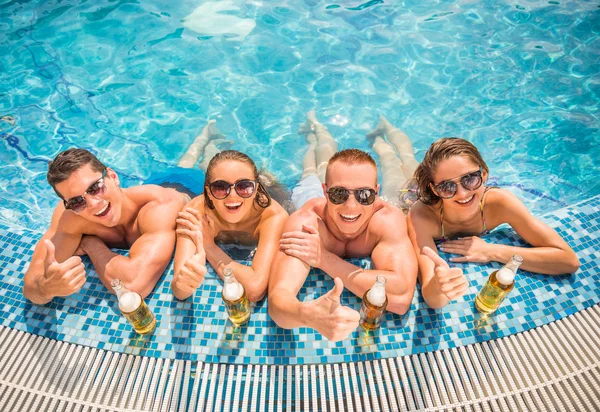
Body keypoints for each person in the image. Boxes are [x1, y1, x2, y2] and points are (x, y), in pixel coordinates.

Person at [269, 112, 418, 342]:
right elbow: (278, 302)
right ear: (326, 191)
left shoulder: (387, 219)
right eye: (339, 193)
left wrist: (324, 259)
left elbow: (400, 298)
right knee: (310, 170)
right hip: (310, 197)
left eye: (364, 194)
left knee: (394, 167)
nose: (351, 206)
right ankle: (316, 130)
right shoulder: (307, 224)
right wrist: (306, 315)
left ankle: (381, 135)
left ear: (376, 193)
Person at [407, 138, 581, 309]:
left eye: (470, 179)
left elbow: (569, 261)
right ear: (434, 189)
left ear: (484, 174)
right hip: (408, 197)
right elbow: (433, 299)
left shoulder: (500, 203)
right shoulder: (422, 217)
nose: (462, 193)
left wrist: (492, 251)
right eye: (447, 186)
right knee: (400, 162)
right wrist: (438, 286)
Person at [23, 149, 188, 304]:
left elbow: (133, 287)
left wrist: (91, 244)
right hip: (155, 181)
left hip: (190, 186)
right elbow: (31, 284)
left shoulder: (160, 206)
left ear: (113, 176)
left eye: (95, 187)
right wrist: (46, 289)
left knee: (188, 164)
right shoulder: (71, 217)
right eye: (76, 201)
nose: (93, 204)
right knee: (183, 162)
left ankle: (203, 138)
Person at [172, 149, 289, 301]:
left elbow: (254, 289)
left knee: (279, 184)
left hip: (271, 193)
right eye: (220, 187)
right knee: (183, 170)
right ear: (208, 192)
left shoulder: (273, 216)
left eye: (244, 186)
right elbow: (178, 288)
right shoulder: (195, 213)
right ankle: (202, 143)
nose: (232, 195)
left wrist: (208, 246)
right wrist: (183, 285)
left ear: (255, 190)